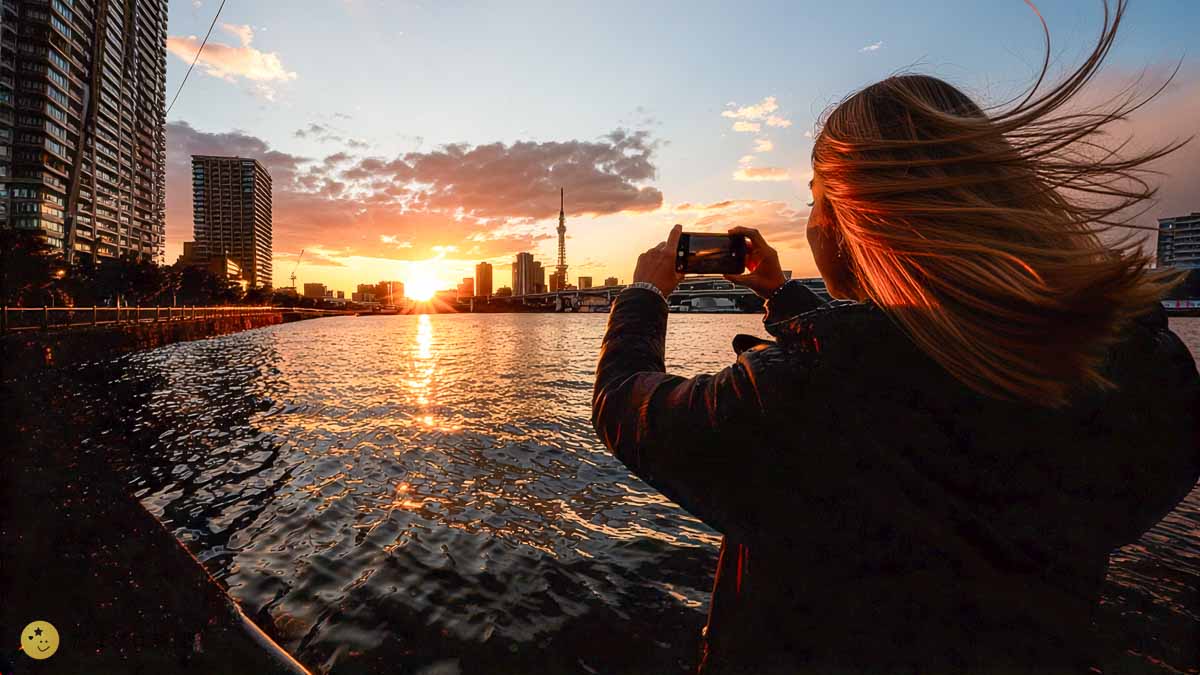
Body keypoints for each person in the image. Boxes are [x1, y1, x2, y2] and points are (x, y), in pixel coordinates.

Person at [591, 2, 1199, 673]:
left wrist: (644, 295)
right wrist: (780, 292)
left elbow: (626, 404)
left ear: (860, 219)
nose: (812, 216)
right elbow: (907, 350)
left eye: (818, 197)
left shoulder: (810, 398)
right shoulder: (1127, 375)